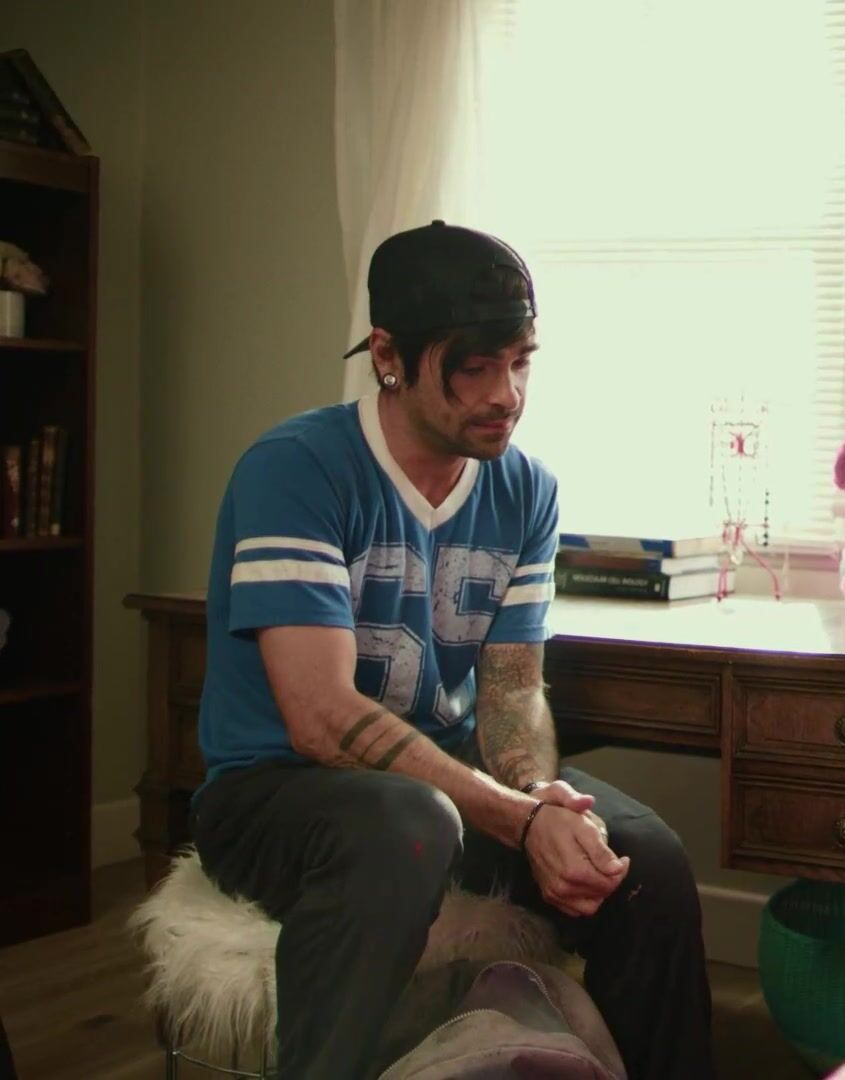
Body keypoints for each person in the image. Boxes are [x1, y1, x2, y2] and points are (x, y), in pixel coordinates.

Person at [189, 220, 714, 1078]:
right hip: (274, 793)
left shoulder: (526, 489)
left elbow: (513, 691)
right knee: (409, 825)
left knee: (639, 858)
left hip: (444, 782)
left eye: (520, 361)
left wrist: (537, 793)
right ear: (389, 356)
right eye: (474, 367)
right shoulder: (295, 469)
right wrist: (517, 820)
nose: (506, 393)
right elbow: (320, 718)